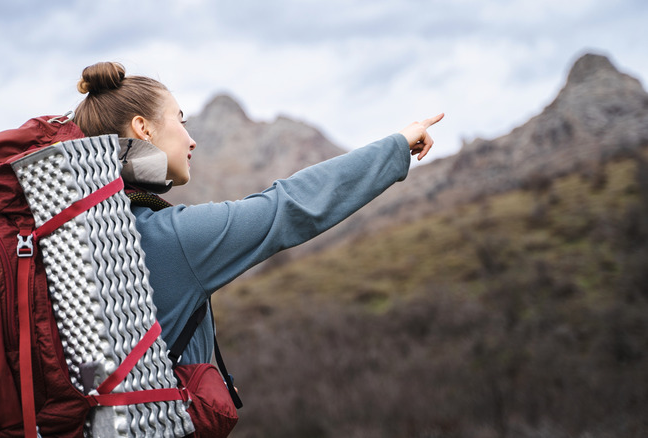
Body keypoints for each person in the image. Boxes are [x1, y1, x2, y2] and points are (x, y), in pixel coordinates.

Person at [72, 61, 443, 367]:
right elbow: (288, 206)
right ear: (143, 128)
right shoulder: (169, 238)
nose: (191, 138)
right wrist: (396, 145)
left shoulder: (73, 237)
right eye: (180, 120)